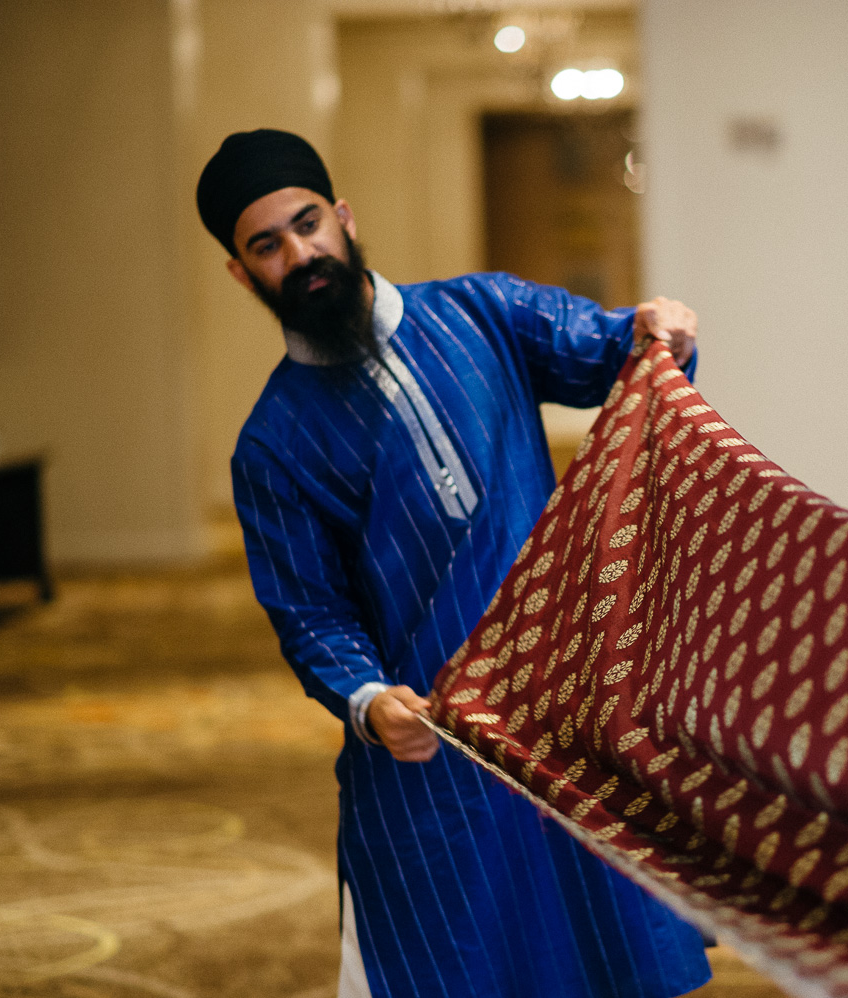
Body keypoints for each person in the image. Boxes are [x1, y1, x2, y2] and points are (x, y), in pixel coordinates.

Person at [195, 129, 712, 998]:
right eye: (268, 245)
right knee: (457, 968)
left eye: (308, 223)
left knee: (607, 952)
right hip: (434, 759)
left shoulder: (482, 313)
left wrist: (658, 329)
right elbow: (311, 615)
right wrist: (367, 701)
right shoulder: (273, 446)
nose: (301, 253)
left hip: (563, 719)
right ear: (244, 275)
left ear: (345, 219)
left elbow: (606, 348)